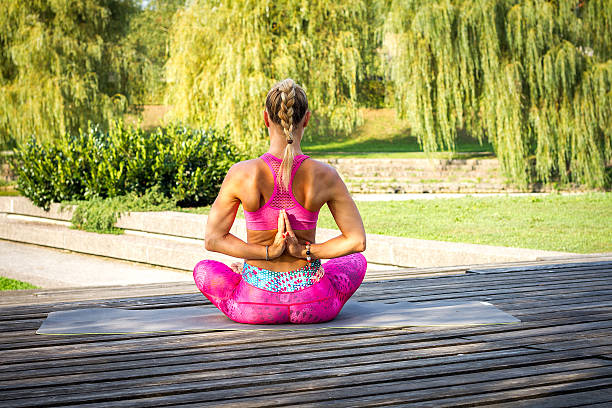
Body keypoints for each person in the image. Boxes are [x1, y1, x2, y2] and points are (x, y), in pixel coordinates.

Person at [193, 78, 367, 324]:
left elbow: (213, 240)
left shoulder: (242, 173)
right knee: (355, 261)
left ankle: (250, 276)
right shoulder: (325, 175)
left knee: (204, 269)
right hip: (314, 303)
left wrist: (266, 252)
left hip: (254, 303)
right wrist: (306, 251)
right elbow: (357, 241)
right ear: (306, 119)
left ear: (265, 118)